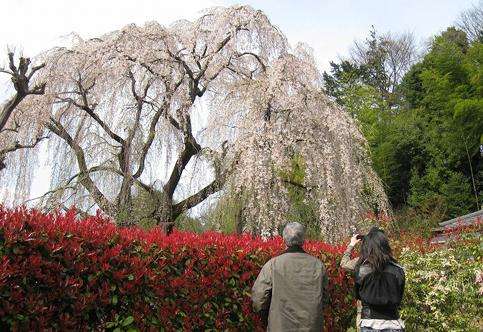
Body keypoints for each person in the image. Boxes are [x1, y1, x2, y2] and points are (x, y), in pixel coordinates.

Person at [251, 222, 329, 331]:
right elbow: (324, 298)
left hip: (280, 326)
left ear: (284, 239)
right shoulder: (318, 265)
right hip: (311, 326)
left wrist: (266, 317)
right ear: (303, 240)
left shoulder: (273, 265)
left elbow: (258, 298)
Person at [341, 227, 405, 332]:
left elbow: (358, 295)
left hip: (369, 322)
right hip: (393, 322)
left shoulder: (361, 267)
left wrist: (351, 244)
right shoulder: (398, 269)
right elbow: (399, 296)